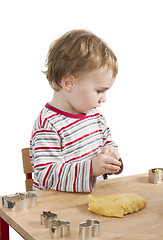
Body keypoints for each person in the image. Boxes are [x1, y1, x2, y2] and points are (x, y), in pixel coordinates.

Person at [30, 29, 123, 192]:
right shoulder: (49, 125)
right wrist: (91, 169)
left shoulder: (95, 116)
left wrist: (111, 153)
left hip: (90, 203)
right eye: (100, 91)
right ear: (69, 83)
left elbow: (107, 141)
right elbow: (47, 176)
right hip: (56, 209)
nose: (104, 98)